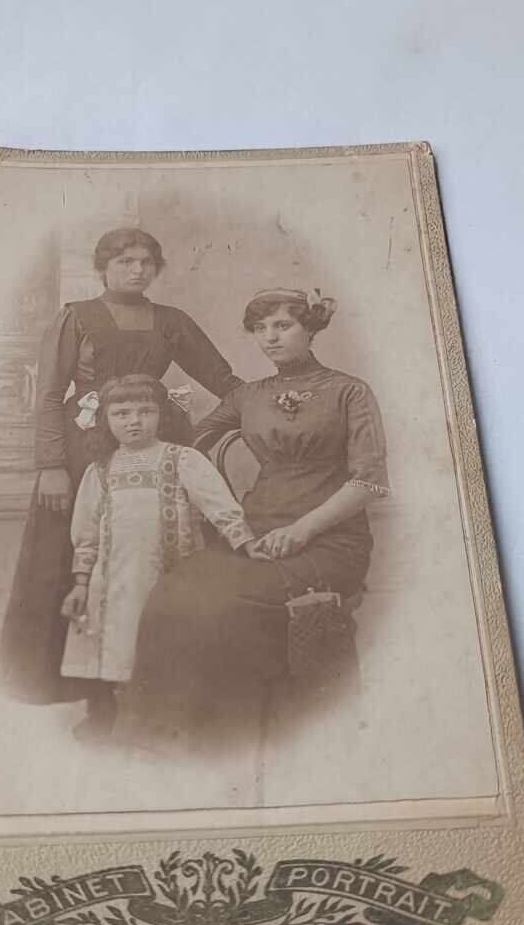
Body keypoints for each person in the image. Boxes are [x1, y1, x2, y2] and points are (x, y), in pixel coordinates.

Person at [117, 287, 391, 755]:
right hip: (256, 532)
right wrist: (143, 412)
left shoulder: (350, 391)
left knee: (229, 606)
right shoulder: (248, 395)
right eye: (261, 330)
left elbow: (370, 483)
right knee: (174, 592)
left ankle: (238, 737)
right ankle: (166, 737)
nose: (270, 338)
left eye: (282, 326)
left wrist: (302, 530)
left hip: (327, 540)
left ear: (310, 329)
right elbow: (191, 445)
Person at [0, 227, 242, 719]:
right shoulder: (76, 318)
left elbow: (226, 382)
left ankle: (157, 683)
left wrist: (223, 425)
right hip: (79, 451)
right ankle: (89, 692)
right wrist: (50, 466)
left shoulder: (172, 321)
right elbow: (48, 394)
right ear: (103, 267)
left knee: (157, 553)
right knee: (78, 552)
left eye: (147, 262)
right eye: (126, 261)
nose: (137, 270)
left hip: (152, 443)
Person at [59, 376, 262, 742]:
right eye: (121, 413)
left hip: (169, 577)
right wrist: (80, 583)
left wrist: (246, 542)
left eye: (145, 411)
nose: (134, 421)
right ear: (104, 419)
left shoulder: (181, 459)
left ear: (162, 415)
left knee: (167, 644)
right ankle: (118, 721)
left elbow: (220, 506)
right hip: (113, 579)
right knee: (119, 643)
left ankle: (167, 724)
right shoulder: (101, 470)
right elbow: (86, 532)